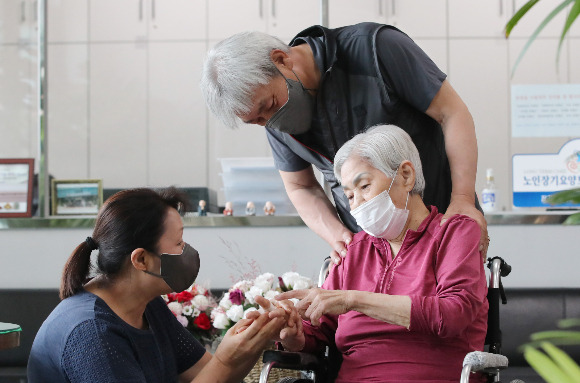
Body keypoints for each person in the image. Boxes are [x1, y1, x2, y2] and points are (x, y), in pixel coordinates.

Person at [201, 23, 489, 265]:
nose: (270, 122)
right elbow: (300, 186)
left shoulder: (376, 50)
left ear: (281, 60)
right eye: (257, 121)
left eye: (271, 105)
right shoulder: (273, 120)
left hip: (444, 225)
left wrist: (462, 200)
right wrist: (341, 239)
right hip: (374, 253)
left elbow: (451, 113)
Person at [251, 125, 489, 382]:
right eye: (350, 195)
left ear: (406, 176)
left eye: (364, 186)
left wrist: (355, 300)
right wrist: (294, 334)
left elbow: (453, 314)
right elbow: (320, 331)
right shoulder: (355, 250)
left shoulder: (453, 233)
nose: (357, 204)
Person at [27, 188, 287, 383]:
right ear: (141, 259)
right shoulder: (92, 334)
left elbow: (206, 374)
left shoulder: (147, 306)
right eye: (178, 243)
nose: (187, 251)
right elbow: (218, 369)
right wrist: (225, 358)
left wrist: (253, 340)